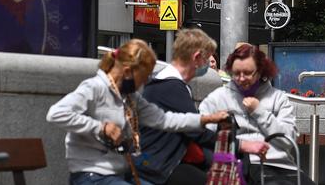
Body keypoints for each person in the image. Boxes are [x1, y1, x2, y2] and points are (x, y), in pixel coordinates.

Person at [46, 39, 228, 185]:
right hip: (91, 175)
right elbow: (56, 113)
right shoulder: (95, 88)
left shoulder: (130, 97)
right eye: (143, 77)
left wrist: (204, 119)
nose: (144, 83)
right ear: (127, 71)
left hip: (121, 173)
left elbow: (164, 120)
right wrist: (101, 128)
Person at [135, 29, 269, 185]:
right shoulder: (171, 86)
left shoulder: (167, 83)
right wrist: (243, 145)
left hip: (163, 161)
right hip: (160, 167)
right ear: (196, 58)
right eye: (206, 59)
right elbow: (195, 131)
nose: (208, 64)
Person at [199, 44, 314, 185]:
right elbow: (203, 136)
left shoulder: (278, 98)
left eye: (247, 73)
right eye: (236, 73)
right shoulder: (218, 98)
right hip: (242, 165)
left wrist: (259, 112)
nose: (241, 78)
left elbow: (287, 140)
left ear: (260, 72)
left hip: (282, 166)